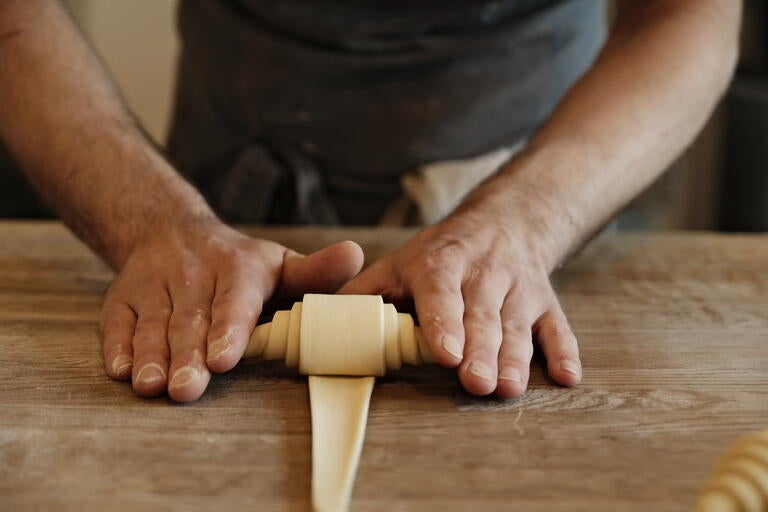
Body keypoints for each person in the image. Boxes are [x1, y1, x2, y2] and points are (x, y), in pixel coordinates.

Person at [0, 0, 740, 402]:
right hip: (215, 210)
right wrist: (153, 220)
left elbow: (690, 17)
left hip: (558, 184)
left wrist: (529, 220)